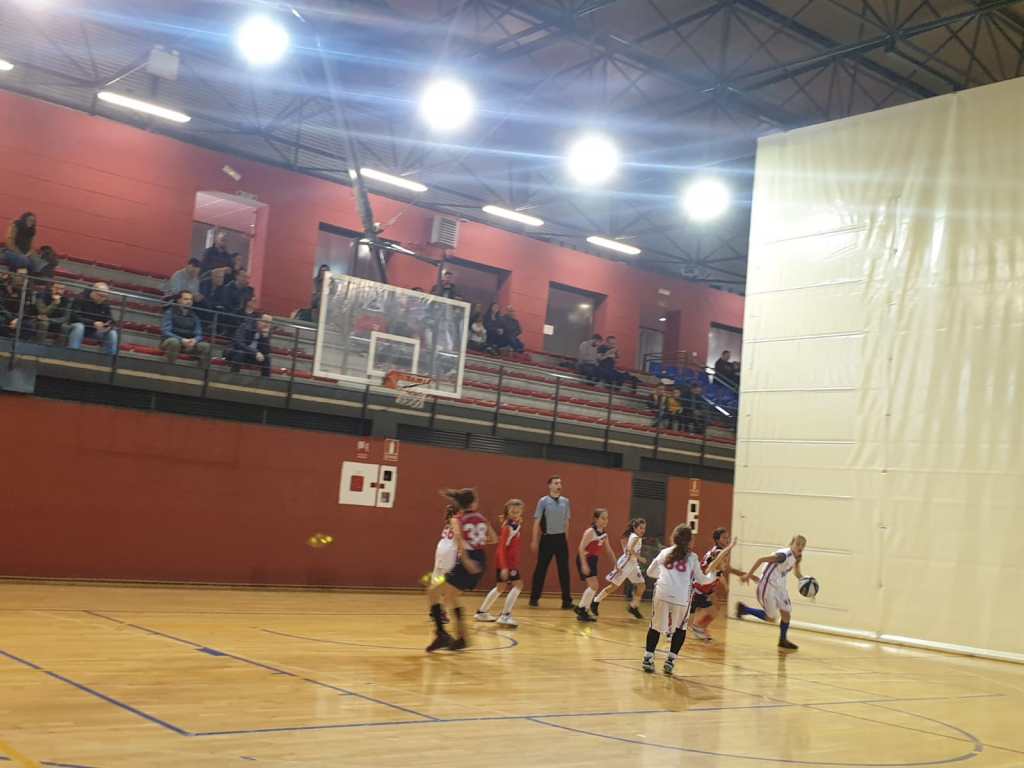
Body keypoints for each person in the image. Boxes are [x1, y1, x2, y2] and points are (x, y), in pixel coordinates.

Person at [642, 524, 736, 675]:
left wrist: (666, 576)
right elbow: (702, 580)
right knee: (680, 629)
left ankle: (648, 658)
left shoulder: (664, 552)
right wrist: (713, 575)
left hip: (662, 593)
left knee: (655, 626)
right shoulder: (692, 557)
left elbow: (650, 572)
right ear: (689, 541)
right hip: (681, 597)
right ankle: (670, 661)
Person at [426, 488, 497, 652]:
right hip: (481, 560)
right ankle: (462, 638)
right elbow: (494, 539)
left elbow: (458, 538)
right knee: (451, 597)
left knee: (432, 590)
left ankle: (442, 635)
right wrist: (477, 541)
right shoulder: (482, 518)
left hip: (467, 563)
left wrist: (465, 559)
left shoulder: (457, 519)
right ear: (474, 503)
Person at [737, 534, 807, 650]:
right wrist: (748, 575)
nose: (800, 547)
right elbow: (760, 560)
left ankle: (783, 640)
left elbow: (797, 572)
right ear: (791, 544)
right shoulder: (783, 556)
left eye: (803, 545)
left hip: (780, 587)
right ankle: (744, 609)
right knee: (771, 618)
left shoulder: (798, 557)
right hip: (768, 585)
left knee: (786, 614)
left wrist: (804, 580)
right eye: (798, 544)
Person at [689, 527, 747, 642]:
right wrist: (726, 585)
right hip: (698, 586)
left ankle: (699, 628)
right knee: (688, 618)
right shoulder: (718, 552)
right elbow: (718, 569)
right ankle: (676, 629)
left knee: (715, 608)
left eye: (728, 537)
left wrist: (743, 574)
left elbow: (724, 569)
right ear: (717, 539)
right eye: (724, 537)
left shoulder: (718, 551)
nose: (727, 539)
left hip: (706, 586)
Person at [475, 499, 525, 627]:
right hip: (507, 562)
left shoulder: (514, 523)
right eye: (513, 512)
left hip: (509, 561)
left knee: (500, 588)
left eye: (518, 512)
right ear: (508, 511)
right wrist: (504, 567)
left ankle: (482, 612)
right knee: (518, 585)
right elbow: (501, 548)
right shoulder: (508, 527)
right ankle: (505, 615)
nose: (515, 514)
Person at [528, 476, 574, 609]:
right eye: (556, 483)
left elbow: (567, 522)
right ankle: (534, 598)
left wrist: (565, 539)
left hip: (561, 539)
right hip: (547, 539)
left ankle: (566, 601)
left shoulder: (566, 501)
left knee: (564, 570)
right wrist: (534, 540)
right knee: (541, 569)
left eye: (560, 483)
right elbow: (537, 521)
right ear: (550, 486)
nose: (559, 485)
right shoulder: (543, 501)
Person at [592, 517, 647, 619]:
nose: (643, 530)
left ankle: (633, 607)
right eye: (641, 528)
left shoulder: (634, 536)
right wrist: (640, 558)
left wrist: (629, 552)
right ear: (635, 528)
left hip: (633, 564)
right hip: (626, 564)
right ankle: (595, 601)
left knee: (641, 585)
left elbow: (624, 543)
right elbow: (629, 549)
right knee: (613, 586)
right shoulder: (635, 537)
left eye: (644, 528)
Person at [574, 508, 617, 622]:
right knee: (594, 586)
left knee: (594, 586)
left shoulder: (604, 534)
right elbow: (581, 548)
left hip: (593, 560)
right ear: (596, 519)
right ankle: (582, 609)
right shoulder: (590, 532)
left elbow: (609, 550)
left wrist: (616, 564)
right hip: (585, 558)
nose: (605, 520)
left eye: (606, 518)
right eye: (603, 518)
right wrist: (584, 564)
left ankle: (582, 609)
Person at [160, 291, 212, 368]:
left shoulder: (194, 315)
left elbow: (199, 334)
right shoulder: (170, 312)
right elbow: (166, 332)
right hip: (171, 342)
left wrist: (195, 340)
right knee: (174, 342)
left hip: (188, 345)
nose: (189, 301)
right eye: (186, 299)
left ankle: (202, 373)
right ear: (179, 300)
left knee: (206, 346)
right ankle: (168, 369)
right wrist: (182, 340)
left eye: (191, 299)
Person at [426, 505, 458, 629]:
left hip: (440, 550)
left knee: (436, 582)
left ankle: (434, 610)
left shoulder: (448, 523)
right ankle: (441, 612)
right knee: (449, 585)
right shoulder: (457, 522)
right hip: (449, 553)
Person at [67, 282, 118, 354]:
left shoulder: (105, 303)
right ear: (93, 292)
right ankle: (72, 354)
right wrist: (93, 323)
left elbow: (111, 320)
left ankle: (111, 358)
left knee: (112, 333)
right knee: (79, 327)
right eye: (101, 295)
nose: (103, 298)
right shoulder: (80, 298)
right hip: (76, 327)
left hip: (94, 331)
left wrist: (108, 326)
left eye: (105, 296)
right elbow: (75, 317)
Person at [0, 268, 28, 338]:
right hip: (3, 314)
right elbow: (1, 307)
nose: (21, 277)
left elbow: (24, 307)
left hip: (15, 316)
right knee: (2, 320)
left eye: (24, 275)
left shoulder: (21, 292)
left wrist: (17, 319)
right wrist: (11, 318)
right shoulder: (2, 289)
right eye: (19, 275)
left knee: (28, 324)